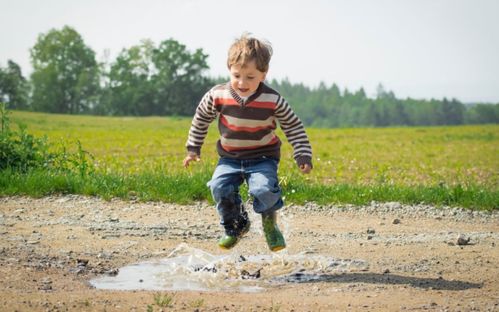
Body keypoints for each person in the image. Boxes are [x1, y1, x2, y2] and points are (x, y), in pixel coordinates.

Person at [183, 33, 312, 252]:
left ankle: (270, 223)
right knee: (219, 187)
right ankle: (236, 226)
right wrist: (193, 148)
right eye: (237, 75)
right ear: (229, 69)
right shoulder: (217, 95)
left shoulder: (273, 100)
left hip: (263, 158)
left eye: (250, 77)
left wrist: (302, 154)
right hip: (229, 158)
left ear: (264, 74)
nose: (242, 83)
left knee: (263, 190)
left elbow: (293, 126)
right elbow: (201, 118)